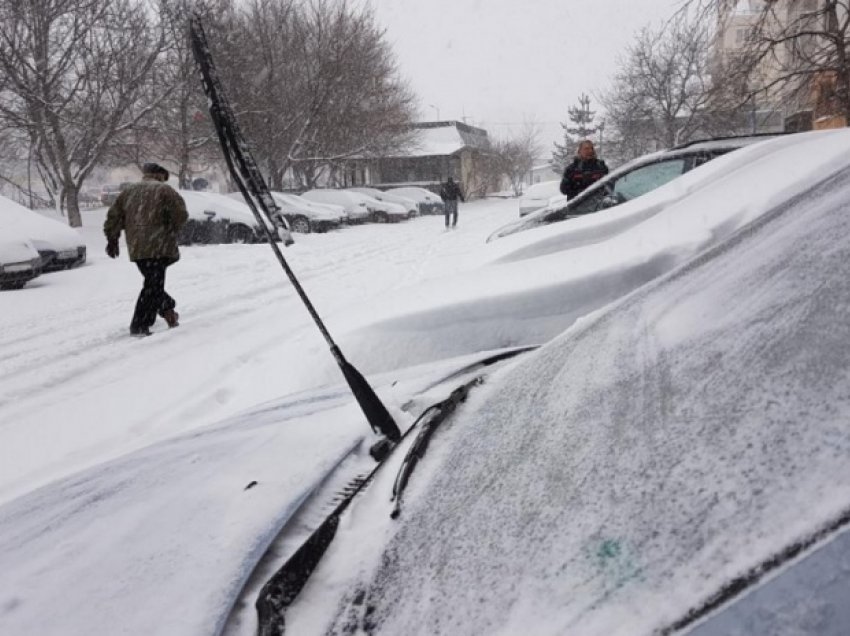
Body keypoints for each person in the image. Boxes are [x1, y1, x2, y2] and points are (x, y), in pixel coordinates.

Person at [104, 162, 189, 337]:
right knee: (152, 286)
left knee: (152, 284)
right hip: (160, 246)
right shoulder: (164, 191)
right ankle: (140, 325)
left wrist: (112, 238)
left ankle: (167, 311)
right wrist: (171, 228)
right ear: (160, 175)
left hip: (137, 248)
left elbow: (114, 216)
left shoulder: (128, 192)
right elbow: (181, 215)